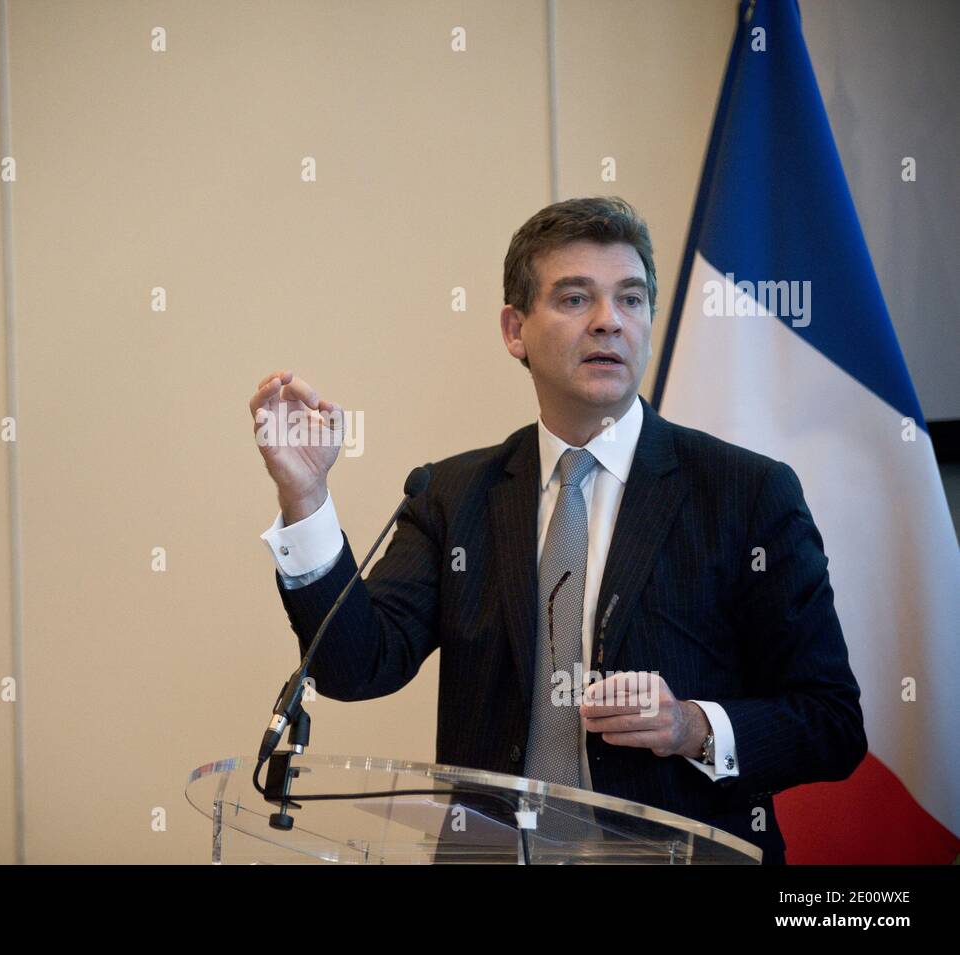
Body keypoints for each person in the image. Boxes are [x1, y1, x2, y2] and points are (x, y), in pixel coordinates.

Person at [247, 196, 866, 864]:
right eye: (575, 299)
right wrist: (306, 495)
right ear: (515, 329)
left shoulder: (745, 494)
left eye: (631, 300)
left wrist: (691, 725)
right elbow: (356, 663)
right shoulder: (453, 495)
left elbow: (830, 722)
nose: (609, 322)